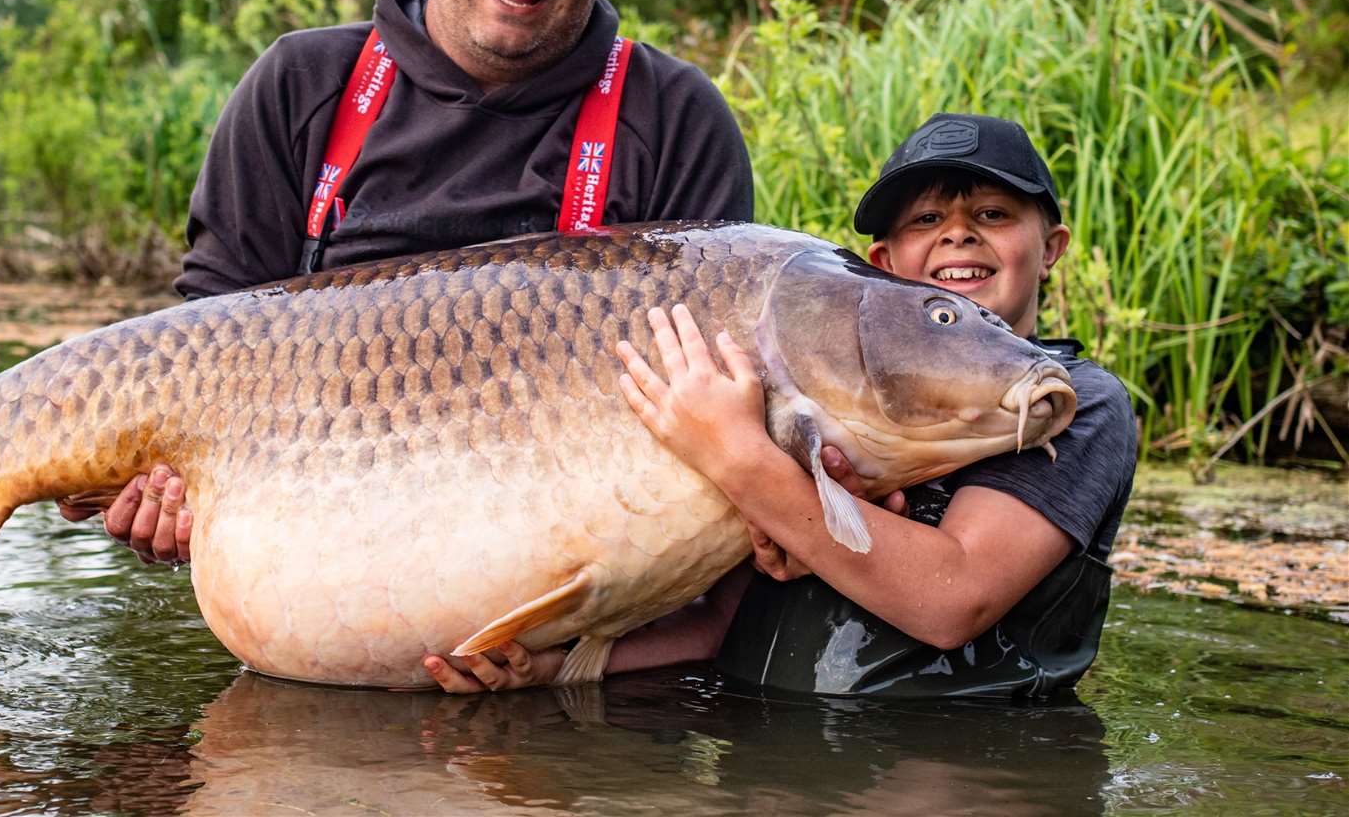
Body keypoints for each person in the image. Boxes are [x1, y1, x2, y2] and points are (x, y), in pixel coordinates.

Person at [63, 0, 754, 561]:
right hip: (319, 546)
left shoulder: (675, 119)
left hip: (573, 554)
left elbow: (715, 404)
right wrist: (166, 485)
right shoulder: (302, 83)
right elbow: (207, 335)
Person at [429, 112, 1138, 698]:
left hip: (946, 766)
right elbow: (718, 629)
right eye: (926, 220)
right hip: (761, 760)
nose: (957, 234)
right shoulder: (813, 414)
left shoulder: (1079, 403)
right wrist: (557, 670)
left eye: (992, 213)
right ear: (880, 269)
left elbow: (950, 600)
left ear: (1049, 249)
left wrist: (735, 457)